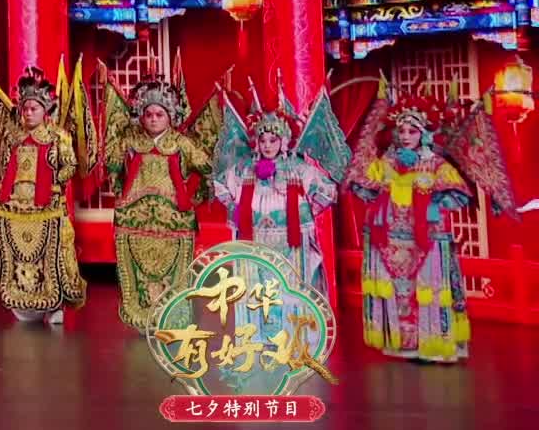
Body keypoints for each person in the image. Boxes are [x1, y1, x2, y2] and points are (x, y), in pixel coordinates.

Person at [348, 93, 513, 362]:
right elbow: (364, 187)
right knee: (399, 290)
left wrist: (432, 202)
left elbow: (458, 195)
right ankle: (402, 342)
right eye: (401, 131)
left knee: (428, 290)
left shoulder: (436, 164)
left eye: (412, 131)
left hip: (427, 238)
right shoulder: (386, 162)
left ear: (423, 133)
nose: (405, 136)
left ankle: (432, 343)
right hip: (390, 239)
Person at [100, 71, 217, 330]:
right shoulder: (131, 139)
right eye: (149, 114)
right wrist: (117, 181)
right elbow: (112, 163)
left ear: (170, 116)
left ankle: (171, 315)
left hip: (174, 218)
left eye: (159, 114)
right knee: (137, 269)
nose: (153, 119)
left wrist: (197, 195)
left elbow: (207, 166)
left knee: (173, 271)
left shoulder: (181, 143)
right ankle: (142, 315)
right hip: (134, 218)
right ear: (141, 115)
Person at [211, 89, 346, 300]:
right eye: (263, 140)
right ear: (256, 142)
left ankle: (294, 319)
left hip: (291, 240)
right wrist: (234, 208)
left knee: (289, 287)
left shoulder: (297, 168)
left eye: (273, 140)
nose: (267, 146)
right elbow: (220, 184)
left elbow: (327, 190)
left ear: (283, 141)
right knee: (257, 289)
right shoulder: (245, 168)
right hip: (254, 238)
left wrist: (307, 211)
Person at [0, 67, 87, 324]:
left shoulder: (58, 136)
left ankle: (55, 305)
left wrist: (56, 182)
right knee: (20, 254)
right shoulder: (13, 136)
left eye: (34, 108)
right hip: (17, 206)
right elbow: (3, 166)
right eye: (25, 108)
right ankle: (24, 302)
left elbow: (70, 165)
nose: (29, 112)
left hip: (49, 204)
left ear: (46, 110)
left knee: (54, 255)